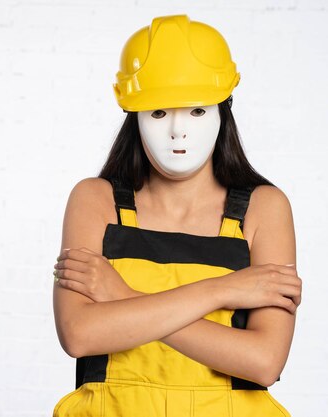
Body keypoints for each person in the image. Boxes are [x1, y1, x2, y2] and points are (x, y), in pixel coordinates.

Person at [51, 15, 301, 417]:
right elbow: (80, 335)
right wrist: (223, 290)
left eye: (197, 111)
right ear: (134, 116)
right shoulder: (95, 201)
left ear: (224, 112)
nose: (177, 131)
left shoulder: (264, 207)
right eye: (158, 113)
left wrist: (123, 299)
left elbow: (264, 362)